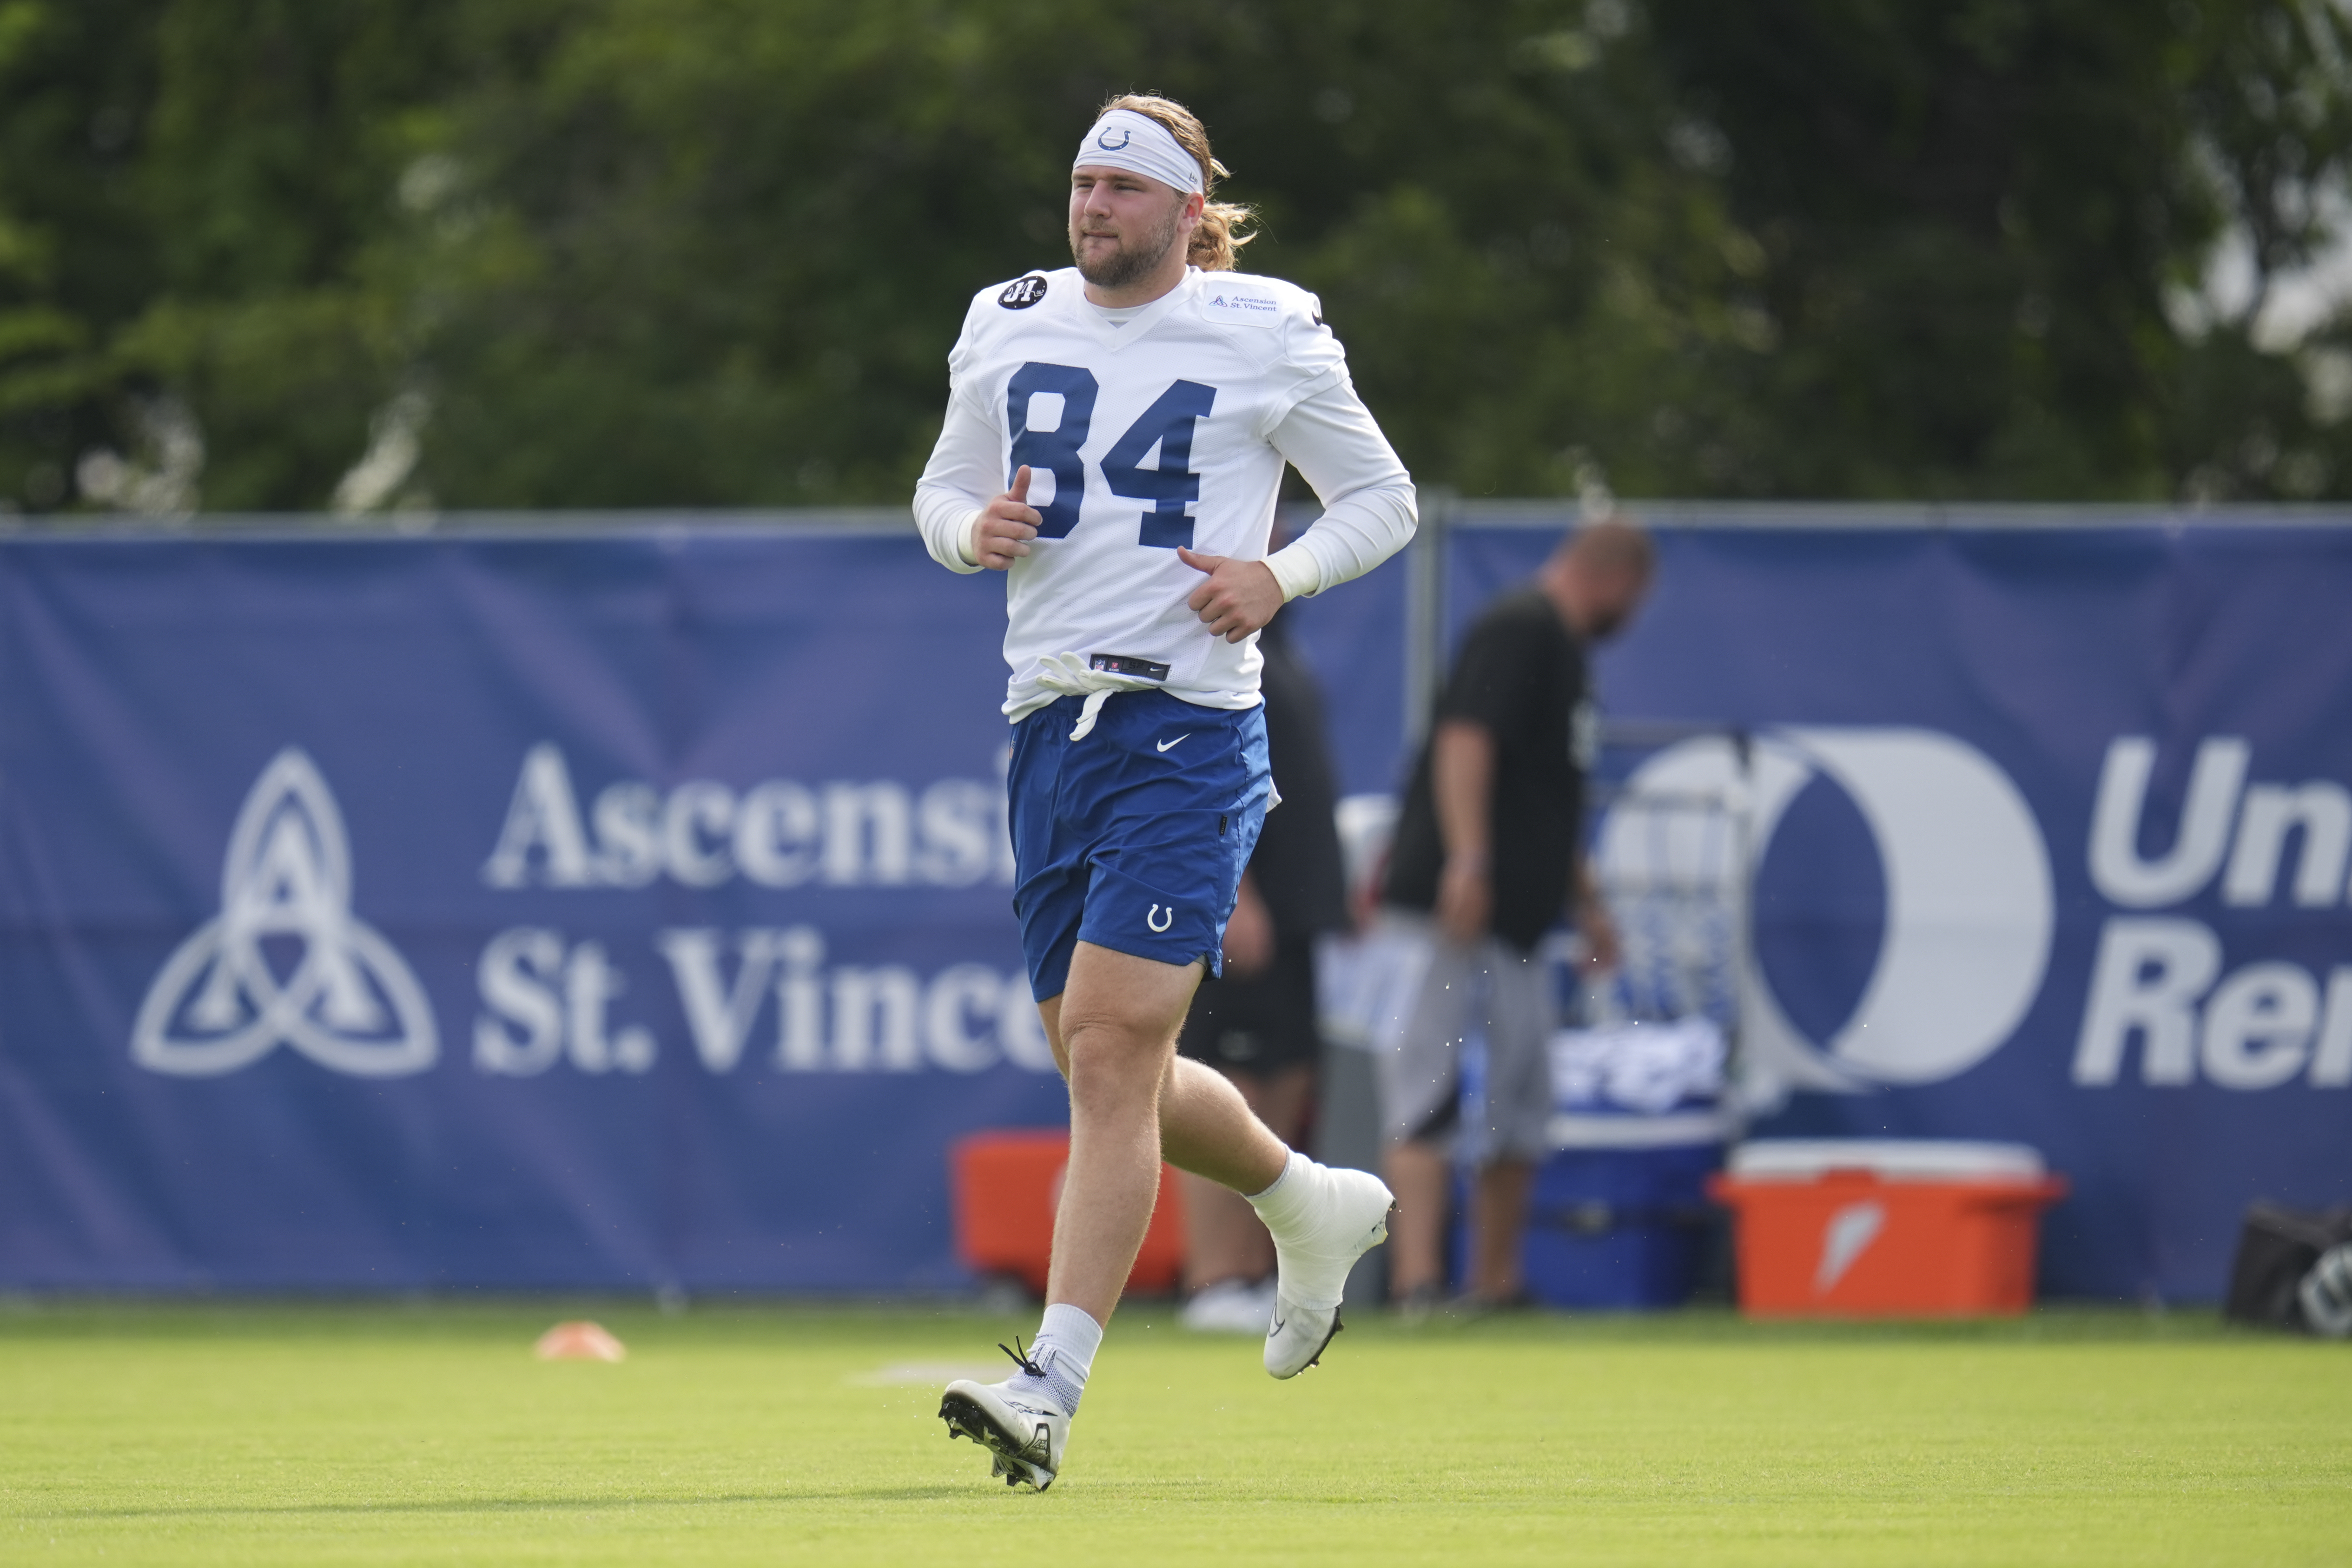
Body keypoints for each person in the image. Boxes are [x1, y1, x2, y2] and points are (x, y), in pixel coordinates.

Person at [911, 93, 1417, 1491]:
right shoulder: (1005, 317)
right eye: (1081, 182)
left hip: (1186, 726)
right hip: (1047, 727)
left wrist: (1281, 572)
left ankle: (1051, 1383)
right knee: (1090, 1052)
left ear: (1189, 214)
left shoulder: (1264, 326)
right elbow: (941, 492)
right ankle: (1307, 1198)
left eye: (1123, 190)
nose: (1093, 209)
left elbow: (1384, 499)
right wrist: (972, 530)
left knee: (1115, 1054)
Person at [1374, 519, 1655, 1314]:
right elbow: (1466, 739)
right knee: (1429, 1087)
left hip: (1523, 918)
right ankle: (1418, 1283)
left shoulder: (1565, 654)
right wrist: (1468, 857)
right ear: (1614, 576)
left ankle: (1496, 1282)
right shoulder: (1518, 627)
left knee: (1520, 1100)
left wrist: (1588, 903)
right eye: (1633, 597)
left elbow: (1547, 800)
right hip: (1458, 907)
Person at [1174, 616, 1350, 1334]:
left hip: (1299, 912)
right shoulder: (1208, 647)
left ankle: (1253, 1276)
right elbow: (1208, 775)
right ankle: (1212, 1279)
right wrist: (1236, 891)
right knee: (1223, 1083)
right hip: (1243, 909)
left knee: (1281, 1083)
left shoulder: (1280, 641)